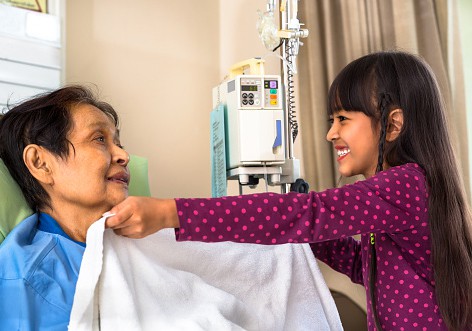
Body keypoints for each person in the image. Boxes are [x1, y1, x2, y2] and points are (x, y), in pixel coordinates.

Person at [106, 50, 472, 331]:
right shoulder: (404, 194)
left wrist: (170, 212)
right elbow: (369, 268)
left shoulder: (406, 184)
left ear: (392, 125)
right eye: (332, 121)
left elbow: (309, 214)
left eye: (343, 119)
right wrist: (298, 226)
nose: (331, 133)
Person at [0, 86, 130, 330]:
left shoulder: (141, 235)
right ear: (41, 164)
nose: (123, 155)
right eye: (100, 139)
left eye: (119, 143)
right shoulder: (25, 283)